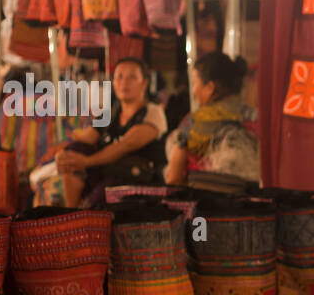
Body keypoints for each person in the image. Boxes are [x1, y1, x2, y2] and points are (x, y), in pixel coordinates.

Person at [55, 57, 167, 207]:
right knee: (76, 150)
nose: (124, 82)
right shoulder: (111, 114)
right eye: (119, 76)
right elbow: (85, 140)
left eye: (132, 77)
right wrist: (64, 155)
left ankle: (81, 216)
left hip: (139, 178)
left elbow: (125, 145)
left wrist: (86, 162)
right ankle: (72, 211)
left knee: (106, 189)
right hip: (108, 175)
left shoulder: (153, 112)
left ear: (144, 83)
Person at [165, 53, 260, 188]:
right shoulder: (254, 116)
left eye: (194, 83)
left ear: (210, 88)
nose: (193, 91)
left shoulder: (193, 122)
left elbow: (173, 178)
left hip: (206, 201)